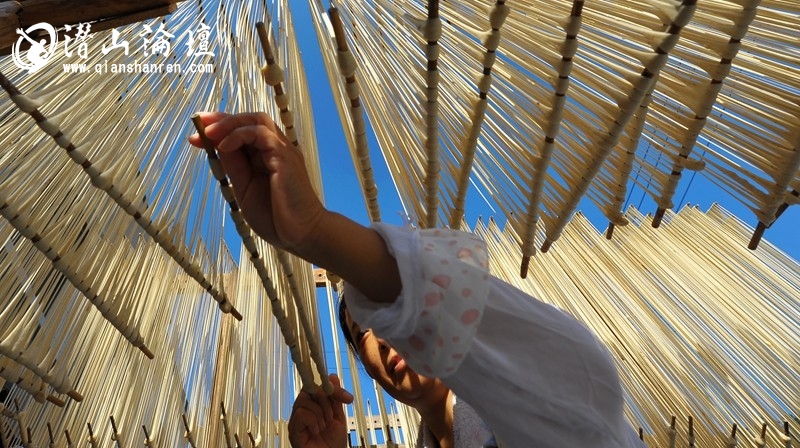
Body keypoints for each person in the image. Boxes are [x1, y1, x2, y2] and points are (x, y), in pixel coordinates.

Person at [189, 112, 647, 448]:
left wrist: (316, 233)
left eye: (385, 320)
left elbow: (575, 380)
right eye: (361, 337)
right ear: (365, 369)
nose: (381, 340)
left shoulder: (521, 403)